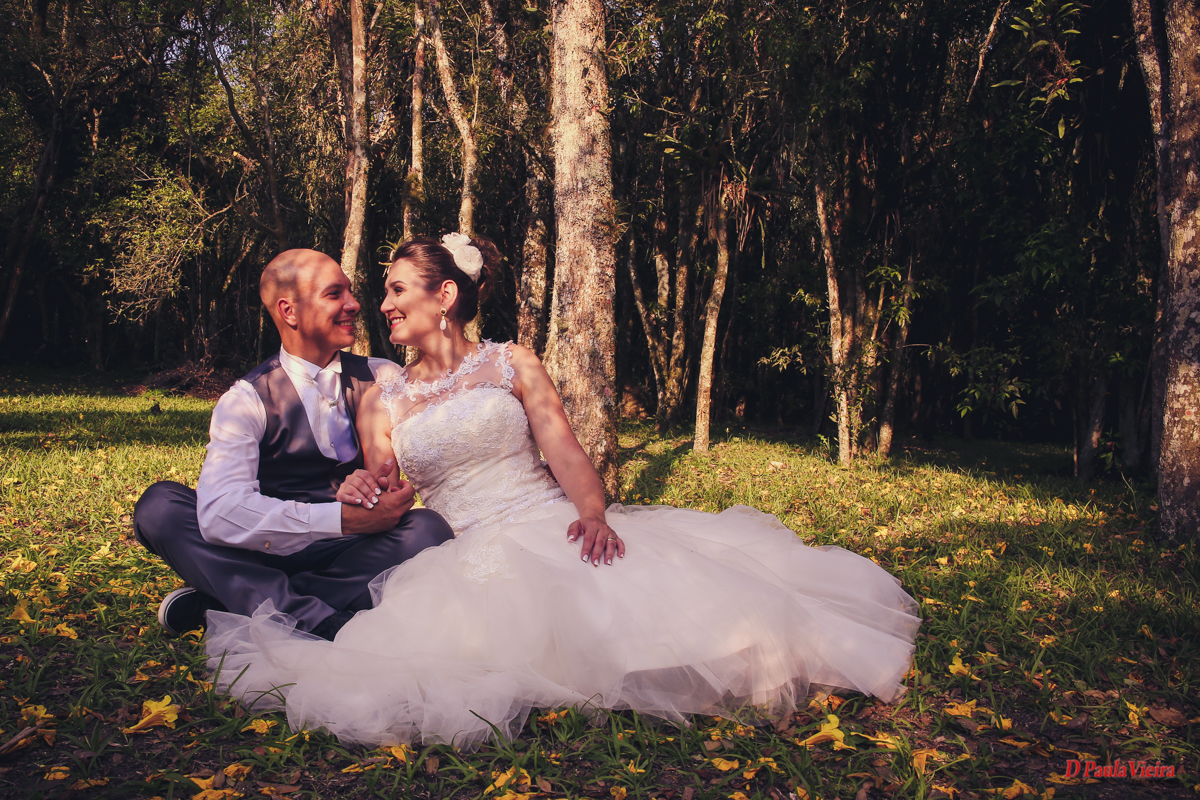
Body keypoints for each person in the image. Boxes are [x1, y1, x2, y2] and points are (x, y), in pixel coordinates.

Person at [205, 234, 920, 747]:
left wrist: (593, 512)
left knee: (667, 618)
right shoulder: (381, 395)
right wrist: (359, 482)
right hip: (461, 549)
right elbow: (385, 488)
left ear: (444, 296)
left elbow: (563, 447)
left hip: (545, 519)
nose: (380, 306)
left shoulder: (511, 361)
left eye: (395, 290)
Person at [133, 249, 454, 642]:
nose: (354, 304)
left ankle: (227, 604)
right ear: (289, 312)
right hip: (260, 549)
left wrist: (380, 492)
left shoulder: (380, 375)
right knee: (160, 506)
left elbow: (390, 474)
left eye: (350, 292)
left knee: (426, 529)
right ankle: (312, 618)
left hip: (347, 553)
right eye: (335, 294)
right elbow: (220, 513)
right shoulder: (245, 400)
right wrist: (340, 518)